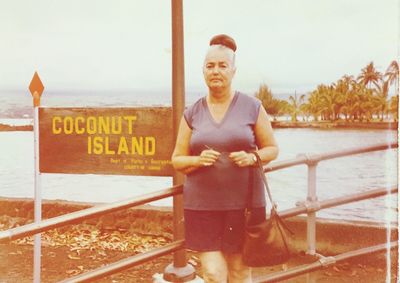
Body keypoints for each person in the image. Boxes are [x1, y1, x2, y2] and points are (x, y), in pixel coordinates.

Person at [171, 34, 279, 283]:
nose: (216, 71)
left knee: (240, 272)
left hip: (244, 206)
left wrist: (253, 158)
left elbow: (272, 149)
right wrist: (197, 161)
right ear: (203, 71)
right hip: (202, 206)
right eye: (210, 66)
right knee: (212, 273)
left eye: (222, 65)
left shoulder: (252, 106)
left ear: (233, 70)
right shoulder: (192, 113)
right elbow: (177, 159)